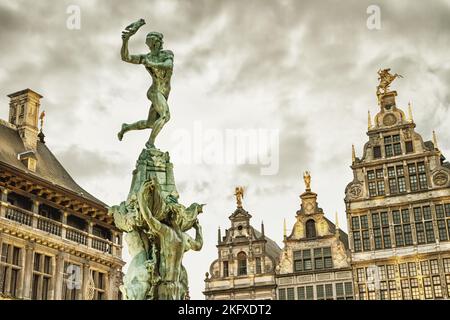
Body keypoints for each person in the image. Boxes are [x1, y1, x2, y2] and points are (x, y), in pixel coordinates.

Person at [118, 23, 174, 148]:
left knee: (150, 124)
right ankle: (150, 143)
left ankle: (126, 127)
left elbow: (168, 65)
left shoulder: (167, 54)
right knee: (165, 115)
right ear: (154, 43)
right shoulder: (146, 57)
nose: (162, 44)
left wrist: (151, 63)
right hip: (155, 91)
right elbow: (125, 57)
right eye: (159, 41)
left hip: (164, 92)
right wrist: (126, 40)